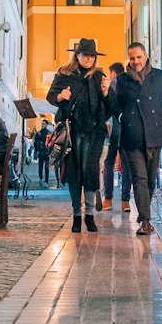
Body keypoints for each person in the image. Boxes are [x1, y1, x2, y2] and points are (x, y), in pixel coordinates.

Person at [48, 39, 115, 232]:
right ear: (77, 55)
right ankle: (77, 215)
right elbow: (50, 97)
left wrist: (106, 92)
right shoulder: (64, 74)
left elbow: (111, 106)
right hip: (72, 131)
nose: (88, 58)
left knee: (91, 172)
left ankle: (90, 216)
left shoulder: (99, 77)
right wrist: (60, 96)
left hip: (94, 132)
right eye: (85, 54)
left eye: (91, 55)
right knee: (74, 173)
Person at [115, 41, 162, 236]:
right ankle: (145, 221)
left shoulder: (158, 76)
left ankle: (144, 214)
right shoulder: (122, 80)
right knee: (139, 178)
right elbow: (116, 105)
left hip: (154, 133)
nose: (135, 61)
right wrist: (124, 116)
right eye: (132, 58)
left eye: (138, 57)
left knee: (150, 180)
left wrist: (157, 117)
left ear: (145, 56)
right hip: (132, 134)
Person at [102, 62, 131, 210]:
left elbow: (107, 107)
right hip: (126, 128)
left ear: (112, 72)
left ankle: (108, 199)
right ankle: (125, 200)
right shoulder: (128, 83)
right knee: (127, 165)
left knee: (108, 163)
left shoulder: (111, 84)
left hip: (112, 130)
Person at [33, 118, 51, 185]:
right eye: (42, 124)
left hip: (46, 152)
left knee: (46, 167)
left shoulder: (48, 133)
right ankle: (41, 178)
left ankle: (46, 180)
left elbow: (50, 143)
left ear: (46, 125)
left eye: (44, 124)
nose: (42, 125)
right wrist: (36, 150)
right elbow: (35, 142)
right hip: (41, 152)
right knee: (40, 166)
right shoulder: (39, 133)